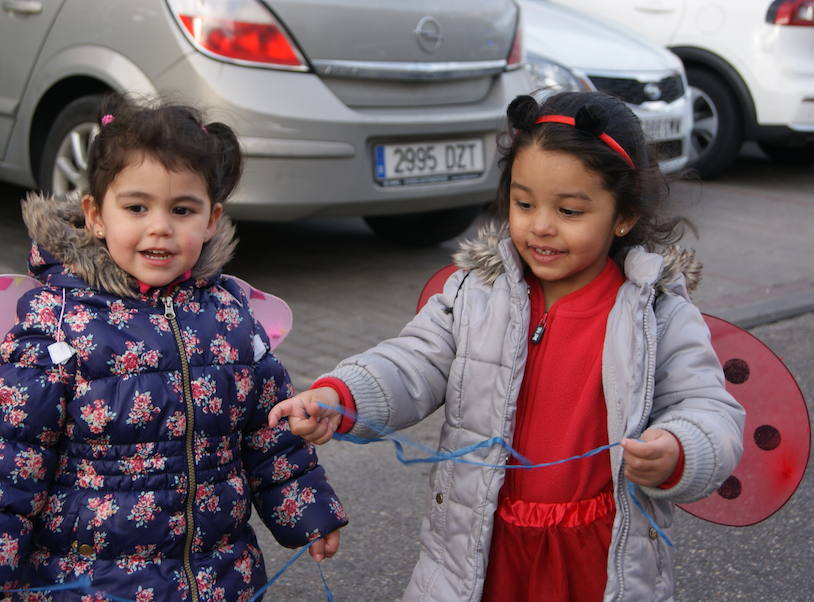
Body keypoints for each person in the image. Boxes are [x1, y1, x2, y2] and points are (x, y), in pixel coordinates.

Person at [268, 90, 745, 601]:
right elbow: (413, 361)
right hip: (480, 546)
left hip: (598, 556)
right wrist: (341, 396)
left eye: (569, 210)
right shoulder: (475, 293)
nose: (541, 225)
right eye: (524, 203)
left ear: (623, 216)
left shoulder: (659, 316)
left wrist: (678, 448)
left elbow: (708, 408)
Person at [0, 94, 346, 602]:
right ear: (95, 215)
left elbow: (268, 434)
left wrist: (306, 509)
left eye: (182, 209)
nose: (160, 226)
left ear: (211, 219)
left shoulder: (229, 315)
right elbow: (10, 452)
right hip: (90, 582)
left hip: (216, 575)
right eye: (136, 207)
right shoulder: (58, 322)